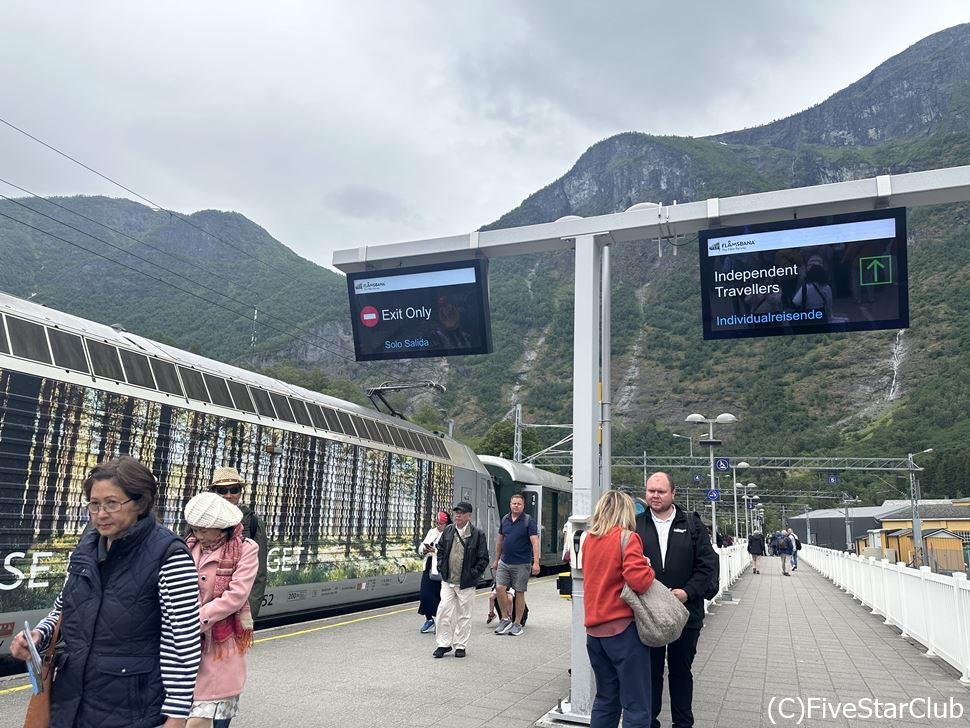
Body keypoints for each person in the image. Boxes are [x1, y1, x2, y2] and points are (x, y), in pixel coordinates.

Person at [10, 455, 201, 728]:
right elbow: (64, 606)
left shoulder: (169, 555)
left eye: (112, 503)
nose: (100, 514)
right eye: (94, 504)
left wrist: (177, 716)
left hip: (132, 710)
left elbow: (181, 643)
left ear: (139, 503)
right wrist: (39, 634)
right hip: (70, 703)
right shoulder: (87, 544)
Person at [635, 472, 718, 728]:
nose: (655, 495)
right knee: (650, 674)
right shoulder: (635, 524)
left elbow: (707, 566)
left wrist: (687, 592)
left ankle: (683, 724)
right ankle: (649, 722)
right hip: (649, 616)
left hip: (686, 614)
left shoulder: (693, 526)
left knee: (682, 673)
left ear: (673, 493)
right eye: (651, 491)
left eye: (660, 491)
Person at [580, 490, 655, 728]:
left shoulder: (589, 540)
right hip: (622, 631)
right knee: (636, 704)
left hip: (594, 632)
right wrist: (648, 567)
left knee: (605, 698)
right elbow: (639, 581)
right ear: (626, 512)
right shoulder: (627, 538)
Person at [184, 491, 259, 728]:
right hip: (186, 645)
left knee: (205, 715)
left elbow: (236, 595)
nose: (199, 535)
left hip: (220, 643)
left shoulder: (245, 549)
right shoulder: (188, 546)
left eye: (204, 530)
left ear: (221, 527)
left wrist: (196, 620)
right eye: (195, 529)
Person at [432, 501, 489, 658]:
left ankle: (460, 645)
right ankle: (443, 644)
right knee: (443, 610)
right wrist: (441, 566)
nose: (458, 515)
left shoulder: (477, 534)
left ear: (469, 516)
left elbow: (483, 558)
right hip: (448, 580)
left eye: (462, 513)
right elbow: (441, 549)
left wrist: (473, 573)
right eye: (456, 512)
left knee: (464, 614)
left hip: (466, 582)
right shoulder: (449, 530)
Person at [209, 467, 268, 617]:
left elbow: (258, 574)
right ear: (214, 492)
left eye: (234, 489)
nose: (229, 495)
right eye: (222, 490)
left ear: (240, 492)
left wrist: (249, 614)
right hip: (205, 606)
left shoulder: (254, 523)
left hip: (237, 608)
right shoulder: (201, 521)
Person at [492, 493, 540, 636]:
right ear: (510, 504)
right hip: (505, 562)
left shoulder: (528, 521)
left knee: (519, 592)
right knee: (500, 588)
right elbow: (500, 540)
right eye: (514, 503)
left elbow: (534, 542)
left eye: (519, 504)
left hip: (522, 563)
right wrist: (496, 559)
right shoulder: (505, 519)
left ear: (523, 505)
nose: (516, 506)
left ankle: (517, 623)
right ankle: (505, 618)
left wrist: (536, 562)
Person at [417, 511, 451, 633]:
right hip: (429, 566)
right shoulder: (432, 532)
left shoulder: (450, 533)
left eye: (441, 523)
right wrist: (424, 550)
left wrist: (435, 550)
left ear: (446, 524)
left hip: (441, 567)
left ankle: (440, 621)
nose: (438, 525)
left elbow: (449, 551)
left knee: (440, 596)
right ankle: (429, 619)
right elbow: (422, 545)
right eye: (437, 523)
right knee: (425, 594)